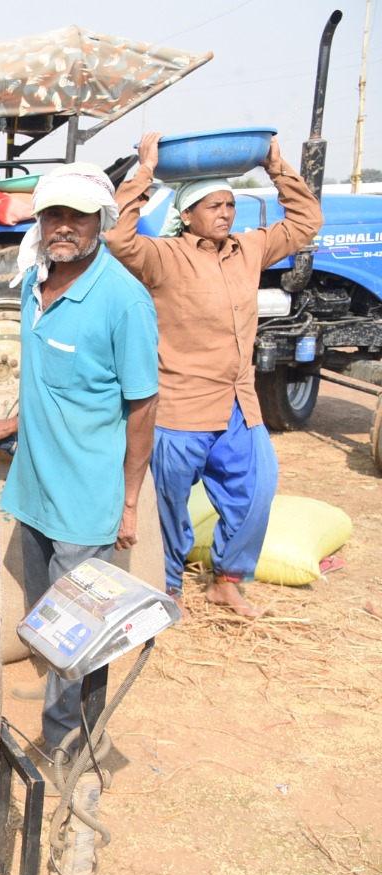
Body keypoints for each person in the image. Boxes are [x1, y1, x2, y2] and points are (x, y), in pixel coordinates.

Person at [0, 164, 159, 763]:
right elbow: (58, 384)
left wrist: (127, 503)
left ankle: (71, 742)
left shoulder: (123, 301)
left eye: (77, 216)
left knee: (80, 626)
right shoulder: (35, 283)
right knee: (49, 613)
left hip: (86, 493)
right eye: (53, 214)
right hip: (35, 484)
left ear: (99, 221)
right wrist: (16, 424)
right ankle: (61, 702)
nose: (63, 226)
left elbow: (142, 407)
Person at [106, 133, 323, 619]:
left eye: (230, 204)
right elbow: (117, 237)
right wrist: (145, 172)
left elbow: (307, 221)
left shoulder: (250, 249)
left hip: (239, 403)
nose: (226, 213)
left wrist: (277, 167)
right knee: (168, 503)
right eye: (214, 206)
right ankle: (167, 586)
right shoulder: (164, 256)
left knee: (258, 488)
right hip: (180, 406)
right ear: (187, 215)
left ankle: (227, 581)